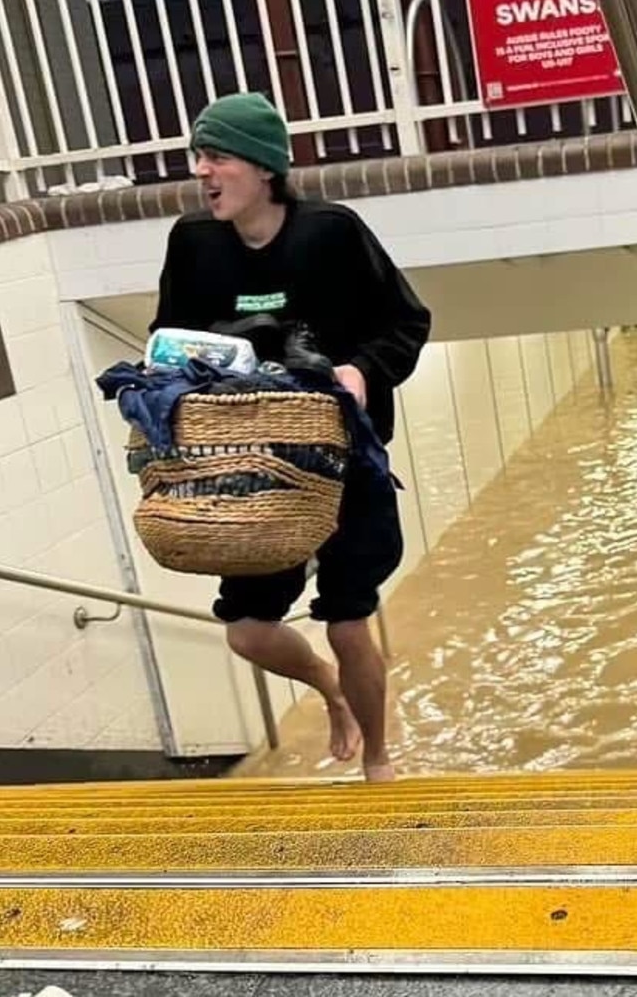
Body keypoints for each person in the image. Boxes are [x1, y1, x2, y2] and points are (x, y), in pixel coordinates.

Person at [151, 91, 431, 782]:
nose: (202, 171)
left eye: (216, 156)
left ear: (264, 168)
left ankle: (377, 755)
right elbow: (166, 343)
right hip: (251, 471)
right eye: (198, 157)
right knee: (246, 630)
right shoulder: (193, 244)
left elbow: (407, 322)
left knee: (347, 619)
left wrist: (362, 371)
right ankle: (328, 688)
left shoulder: (332, 233)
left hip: (344, 466)